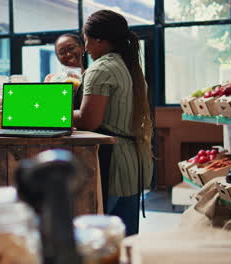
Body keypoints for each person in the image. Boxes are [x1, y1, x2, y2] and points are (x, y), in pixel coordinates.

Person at [73, 10, 154, 236]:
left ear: (99, 39)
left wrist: (51, 115)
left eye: (86, 40)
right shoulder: (128, 66)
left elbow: (89, 120)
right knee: (126, 240)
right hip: (132, 163)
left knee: (100, 241)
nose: (85, 48)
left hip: (112, 165)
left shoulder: (101, 69)